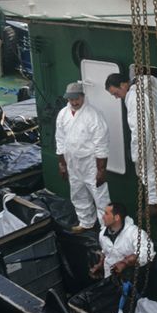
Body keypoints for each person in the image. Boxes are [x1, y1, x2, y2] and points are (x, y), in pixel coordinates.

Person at [105, 72, 157, 214]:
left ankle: (154, 205)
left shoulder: (134, 98)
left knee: (149, 168)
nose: (117, 97)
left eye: (116, 93)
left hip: (154, 135)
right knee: (154, 167)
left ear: (123, 85)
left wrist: (136, 154)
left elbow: (140, 130)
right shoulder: (145, 82)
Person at [55, 81, 111, 233]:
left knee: (101, 198)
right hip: (72, 163)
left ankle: (106, 230)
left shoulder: (93, 115)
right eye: (71, 99)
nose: (74, 102)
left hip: (91, 163)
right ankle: (86, 222)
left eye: (76, 98)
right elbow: (59, 139)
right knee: (78, 194)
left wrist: (101, 170)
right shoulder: (62, 114)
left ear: (82, 96)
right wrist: (62, 164)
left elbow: (101, 144)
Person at [90, 202, 156, 278]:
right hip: (110, 279)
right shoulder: (102, 234)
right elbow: (106, 253)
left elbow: (148, 253)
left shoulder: (135, 233)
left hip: (132, 279)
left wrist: (125, 263)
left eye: (106, 214)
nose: (103, 217)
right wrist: (100, 265)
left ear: (117, 217)